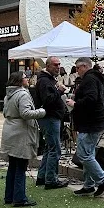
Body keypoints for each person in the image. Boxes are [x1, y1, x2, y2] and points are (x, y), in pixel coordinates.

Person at [67, 57, 104, 197]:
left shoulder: (89, 79)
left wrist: (75, 104)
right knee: (89, 152)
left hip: (91, 123)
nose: (76, 71)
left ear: (85, 66)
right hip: (95, 121)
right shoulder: (95, 78)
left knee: (84, 154)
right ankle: (88, 185)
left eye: (78, 68)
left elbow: (91, 99)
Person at [1, 71, 46, 207]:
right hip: (21, 133)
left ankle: (9, 196)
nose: (27, 79)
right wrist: (41, 111)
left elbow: (4, 112)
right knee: (21, 166)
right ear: (20, 81)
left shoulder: (8, 95)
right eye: (25, 77)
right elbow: (25, 113)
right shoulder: (23, 94)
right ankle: (19, 198)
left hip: (10, 130)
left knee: (13, 166)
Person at [35, 57, 70, 189]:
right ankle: (51, 179)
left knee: (50, 149)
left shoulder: (47, 79)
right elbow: (48, 100)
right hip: (50, 118)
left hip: (50, 117)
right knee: (55, 149)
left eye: (59, 64)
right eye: (55, 65)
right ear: (48, 66)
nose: (58, 67)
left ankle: (42, 176)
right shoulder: (44, 81)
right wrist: (59, 91)